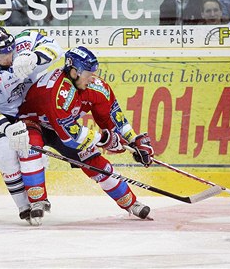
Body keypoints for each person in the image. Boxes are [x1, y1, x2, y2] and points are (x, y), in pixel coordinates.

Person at [17, 46, 154, 226]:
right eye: (88, 73)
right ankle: (37, 201)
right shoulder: (59, 92)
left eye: (93, 73)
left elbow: (115, 117)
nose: (92, 78)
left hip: (63, 126)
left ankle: (130, 203)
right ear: (74, 72)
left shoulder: (96, 87)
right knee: (31, 147)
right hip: (33, 122)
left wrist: (133, 140)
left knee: (92, 160)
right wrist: (104, 140)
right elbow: (70, 137)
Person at [0, 26, 63, 224]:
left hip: (27, 107)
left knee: (31, 150)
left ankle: (38, 196)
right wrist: (6, 128)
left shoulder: (23, 43)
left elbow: (55, 47)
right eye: (3, 54)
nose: (10, 56)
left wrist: (35, 57)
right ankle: (23, 207)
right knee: (6, 153)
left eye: (11, 49)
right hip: (0, 117)